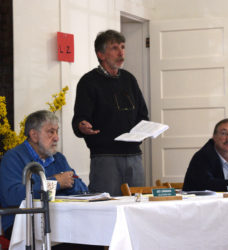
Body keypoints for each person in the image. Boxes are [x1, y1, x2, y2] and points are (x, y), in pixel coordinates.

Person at [72, 29, 149, 196]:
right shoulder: (88, 81)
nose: (121, 52)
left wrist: (146, 129)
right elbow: (80, 118)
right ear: (101, 54)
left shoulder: (129, 79)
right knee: (106, 207)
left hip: (134, 155)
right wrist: (82, 125)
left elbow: (143, 114)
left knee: (137, 204)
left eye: (122, 47)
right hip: (105, 157)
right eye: (115, 48)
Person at [0, 110, 88, 241]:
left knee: (91, 234)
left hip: (59, 220)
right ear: (34, 135)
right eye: (51, 132)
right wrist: (56, 183)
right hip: (22, 224)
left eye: (57, 131)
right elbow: (13, 197)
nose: (57, 137)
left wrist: (69, 183)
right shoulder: (13, 158)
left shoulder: (59, 158)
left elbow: (83, 190)